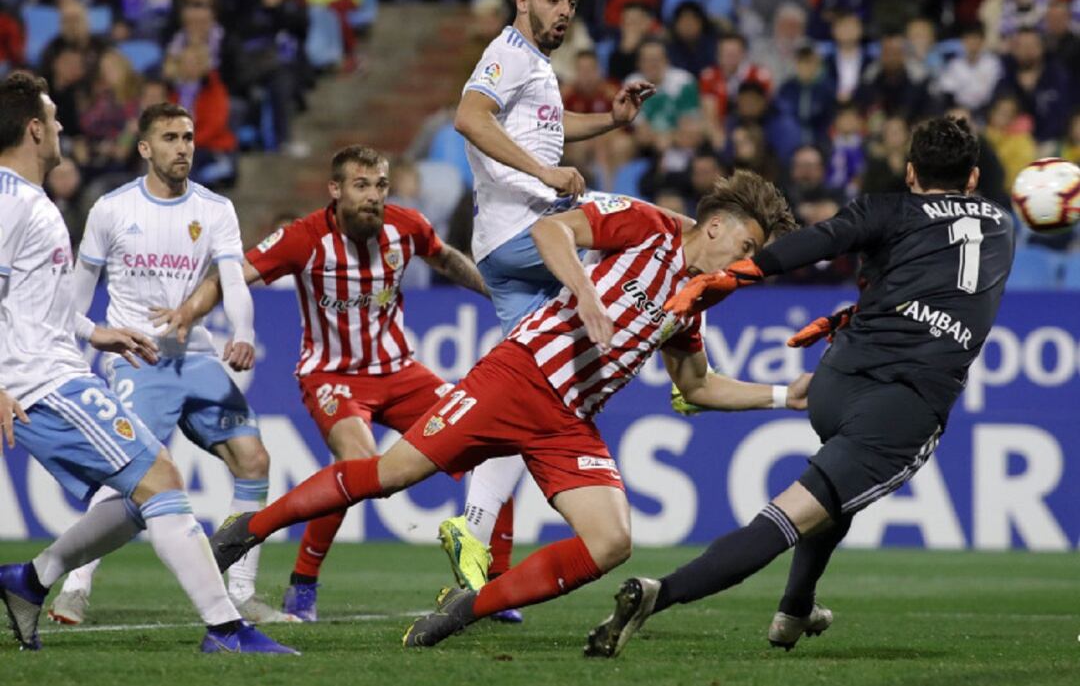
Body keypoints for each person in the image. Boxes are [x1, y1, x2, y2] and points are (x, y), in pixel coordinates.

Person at [206, 173, 809, 650]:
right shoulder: (646, 224)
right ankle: (247, 530)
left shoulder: (693, 301)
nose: (746, 264)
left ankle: (468, 607)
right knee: (393, 475)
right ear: (716, 227)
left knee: (611, 542)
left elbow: (697, 386)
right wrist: (586, 293)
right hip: (517, 377)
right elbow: (552, 234)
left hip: (568, 420)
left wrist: (785, 396)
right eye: (747, 247)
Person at [584, 116, 1015, 658]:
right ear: (973, 178)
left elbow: (820, 240)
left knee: (837, 491)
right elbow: (948, 290)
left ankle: (794, 610)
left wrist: (740, 274)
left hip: (834, 381)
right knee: (789, 517)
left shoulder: (884, 209)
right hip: (903, 401)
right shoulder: (1002, 226)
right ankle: (657, 594)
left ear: (910, 173)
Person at [0, 73, 293, 654]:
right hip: (40, 381)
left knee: (149, 486)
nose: (62, 127)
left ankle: (29, 581)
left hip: (65, 368)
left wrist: (97, 332)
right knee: (158, 480)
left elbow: (40, 305)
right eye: (54, 117)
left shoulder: (34, 203)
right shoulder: (22, 206)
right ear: (35, 129)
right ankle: (225, 628)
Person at [153, 145, 490, 623]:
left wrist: (493, 294)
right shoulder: (304, 238)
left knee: (485, 437)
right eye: (361, 186)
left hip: (401, 371)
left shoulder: (406, 226)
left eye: (380, 186)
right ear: (335, 190)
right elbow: (233, 274)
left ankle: (488, 584)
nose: (373, 197)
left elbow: (446, 258)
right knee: (360, 467)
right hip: (333, 376)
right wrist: (188, 312)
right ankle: (304, 582)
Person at [442, 0, 655, 619]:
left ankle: (472, 538)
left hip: (507, 242)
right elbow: (469, 117)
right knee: (640, 230)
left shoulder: (535, 64)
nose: (564, 10)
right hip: (524, 233)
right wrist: (545, 171)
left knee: (537, 395)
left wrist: (609, 121)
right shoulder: (507, 53)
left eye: (572, 1)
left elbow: (547, 127)